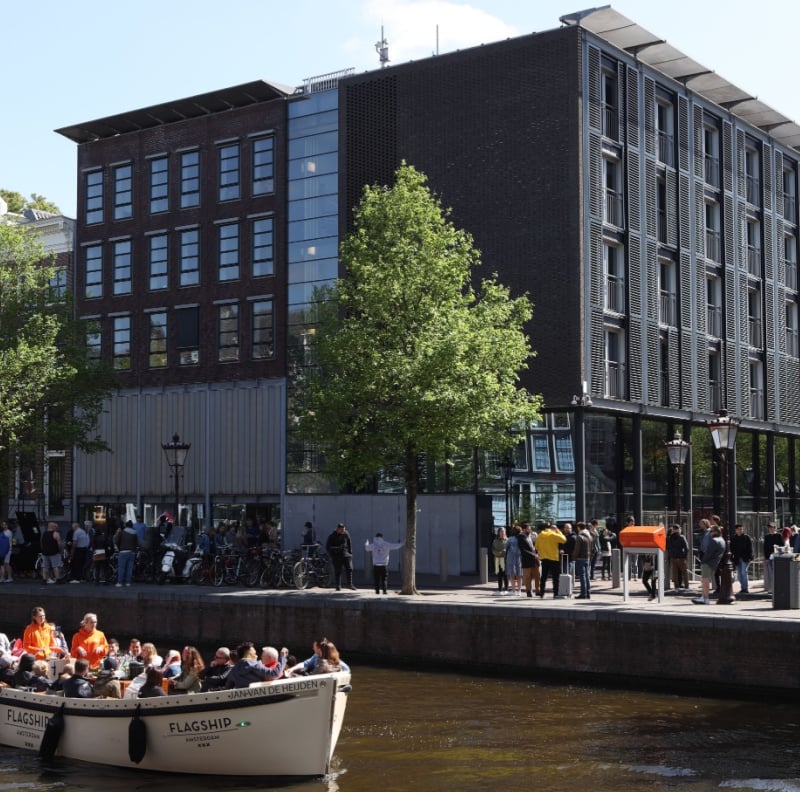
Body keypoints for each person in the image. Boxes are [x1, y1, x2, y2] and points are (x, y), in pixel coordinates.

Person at [693, 524, 726, 605]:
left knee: (705, 581)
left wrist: (703, 561)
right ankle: (703, 597)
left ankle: (705, 598)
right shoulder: (722, 540)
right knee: (706, 581)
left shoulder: (714, 540)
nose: (710, 533)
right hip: (715, 563)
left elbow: (708, 553)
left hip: (708, 563)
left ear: (715, 532)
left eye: (711, 531)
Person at [285, 638, 351, 677]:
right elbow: (305, 663)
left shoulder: (329, 662)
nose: (313, 648)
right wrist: (292, 669)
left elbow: (347, 670)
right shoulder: (316, 656)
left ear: (320, 649)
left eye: (314, 647)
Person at [536, 521, 567, 598]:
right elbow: (564, 539)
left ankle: (542, 593)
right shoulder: (553, 535)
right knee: (555, 577)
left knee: (543, 577)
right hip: (554, 558)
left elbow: (537, 547)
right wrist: (558, 531)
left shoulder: (540, 536)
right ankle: (555, 593)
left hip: (544, 558)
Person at [326, 523, 355, 590]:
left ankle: (350, 584)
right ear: (338, 529)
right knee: (338, 571)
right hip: (337, 556)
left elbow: (349, 542)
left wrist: (350, 553)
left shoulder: (346, 534)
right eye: (342, 530)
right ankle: (338, 586)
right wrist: (333, 553)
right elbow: (328, 547)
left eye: (344, 530)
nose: (343, 531)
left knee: (349, 569)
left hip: (346, 554)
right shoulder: (332, 536)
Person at [730, 522, 754, 595]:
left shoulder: (746, 537)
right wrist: (732, 558)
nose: (740, 530)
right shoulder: (733, 538)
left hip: (745, 558)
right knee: (739, 574)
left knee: (744, 572)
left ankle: (745, 588)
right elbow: (732, 549)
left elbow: (750, 548)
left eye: (741, 529)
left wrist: (750, 557)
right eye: (739, 529)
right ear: (736, 530)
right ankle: (742, 587)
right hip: (737, 558)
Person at [114, 519, 138, 587]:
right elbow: (136, 543)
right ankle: (128, 582)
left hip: (123, 552)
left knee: (121, 568)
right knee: (129, 568)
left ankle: (120, 582)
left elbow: (116, 541)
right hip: (132, 552)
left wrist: (119, 548)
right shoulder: (134, 533)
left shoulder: (122, 532)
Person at [572, 521, 593, 599]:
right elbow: (592, 548)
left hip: (580, 558)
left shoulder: (580, 536)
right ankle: (588, 592)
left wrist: (573, 557)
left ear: (579, 527)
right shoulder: (589, 536)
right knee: (587, 576)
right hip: (587, 558)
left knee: (582, 576)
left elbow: (577, 549)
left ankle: (583, 594)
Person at [517, 524, 539, 598]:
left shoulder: (531, 536)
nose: (530, 530)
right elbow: (523, 550)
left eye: (530, 529)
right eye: (528, 529)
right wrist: (534, 556)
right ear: (523, 529)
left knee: (538, 575)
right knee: (528, 577)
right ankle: (528, 591)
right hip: (527, 559)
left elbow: (535, 546)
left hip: (535, 559)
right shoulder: (521, 537)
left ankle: (537, 590)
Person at [666, 524, 690, 590]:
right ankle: (686, 586)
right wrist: (684, 556)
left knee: (675, 573)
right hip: (681, 557)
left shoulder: (670, 537)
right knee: (685, 573)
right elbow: (686, 548)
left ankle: (676, 587)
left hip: (673, 557)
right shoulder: (682, 537)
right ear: (679, 529)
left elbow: (668, 547)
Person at [40, 520, 63, 585]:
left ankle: (44, 580)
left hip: (45, 553)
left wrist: (43, 550)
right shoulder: (56, 534)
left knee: (45, 567)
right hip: (54, 553)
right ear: (52, 527)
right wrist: (60, 551)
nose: (57, 528)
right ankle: (58, 580)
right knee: (55, 566)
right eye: (56, 527)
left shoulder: (44, 533)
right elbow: (59, 544)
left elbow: (42, 543)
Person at [763, 521, 783, 594]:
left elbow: (782, 546)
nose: (770, 529)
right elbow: (765, 548)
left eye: (772, 527)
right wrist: (766, 558)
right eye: (769, 528)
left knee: (777, 573)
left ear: (775, 528)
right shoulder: (767, 537)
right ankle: (771, 588)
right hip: (769, 558)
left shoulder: (778, 536)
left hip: (777, 557)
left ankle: (778, 588)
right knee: (770, 574)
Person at [504, 526, 522, 595]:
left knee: (512, 574)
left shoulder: (510, 539)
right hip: (519, 557)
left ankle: (513, 591)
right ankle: (519, 591)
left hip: (511, 557)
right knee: (519, 575)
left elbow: (505, 547)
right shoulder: (521, 538)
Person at [491, 527, 509, 595]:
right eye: (501, 531)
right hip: (497, 559)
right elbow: (493, 549)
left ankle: (506, 589)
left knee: (505, 575)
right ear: (498, 532)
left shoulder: (507, 540)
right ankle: (500, 590)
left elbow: (508, 549)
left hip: (505, 560)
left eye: (503, 531)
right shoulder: (495, 540)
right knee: (499, 575)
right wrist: (496, 553)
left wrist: (502, 552)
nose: (502, 532)